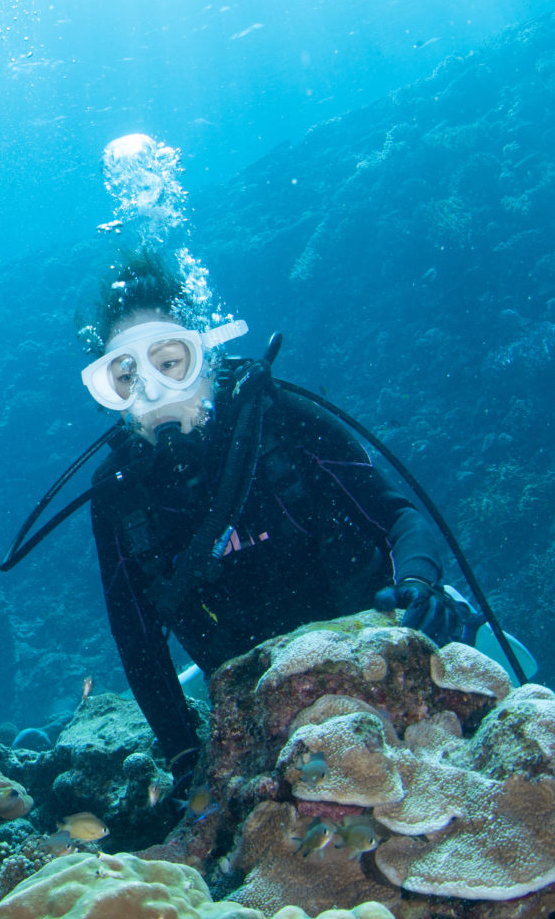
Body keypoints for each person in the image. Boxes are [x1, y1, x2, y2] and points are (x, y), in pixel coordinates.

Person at [78, 250, 485, 782]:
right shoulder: (118, 495)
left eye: (170, 362)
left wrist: (420, 583)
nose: (152, 391)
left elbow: (399, 516)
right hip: (256, 701)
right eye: (126, 375)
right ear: (110, 393)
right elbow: (138, 643)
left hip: (375, 655)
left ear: (207, 356)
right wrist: (183, 757)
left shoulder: (285, 422)